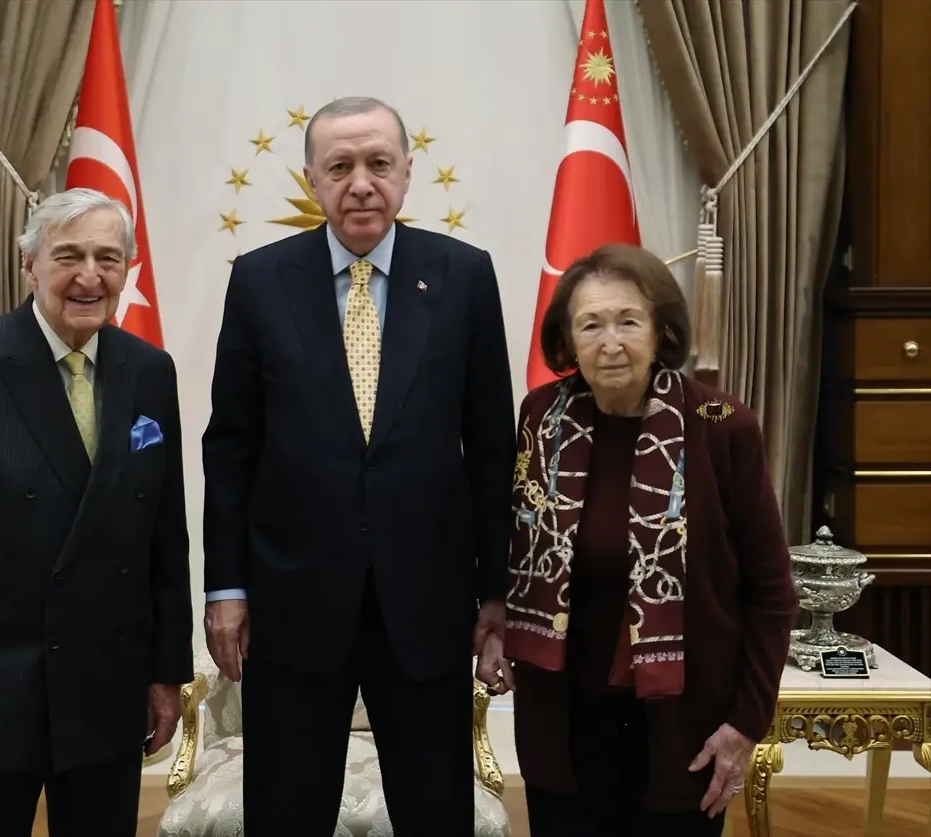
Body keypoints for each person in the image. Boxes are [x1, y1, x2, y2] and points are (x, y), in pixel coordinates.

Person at [201, 96, 515, 835]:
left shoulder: (464, 275)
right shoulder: (260, 279)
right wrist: (226, 587)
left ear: (407, 172)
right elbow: (232, 446)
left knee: (435, 811)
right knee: (286, 811)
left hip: (428, 599)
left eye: (379, 163)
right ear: (312, 179)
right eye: (339, 167)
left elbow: (491, 448)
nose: (361, 183)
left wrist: (495, 591)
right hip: (292, 598)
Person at [0, 187, 193, 837]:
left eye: (108, 258)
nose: (89, 276)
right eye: (68, 256)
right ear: (29, 265)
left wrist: (167, 675)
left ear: (127, 269)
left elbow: (165, 538)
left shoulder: (150, 371)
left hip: (106, 688)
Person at [478, 243, 798, 835]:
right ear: (567, 340)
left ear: (660, 331)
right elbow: (512, 542)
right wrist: (494, 619)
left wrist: (746, 723)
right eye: (591, 325)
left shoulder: (721, 426)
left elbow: (772, 592)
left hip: (684, 719)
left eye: (628, 321)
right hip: (561, 715)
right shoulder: (540, 418)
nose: (611, 342)